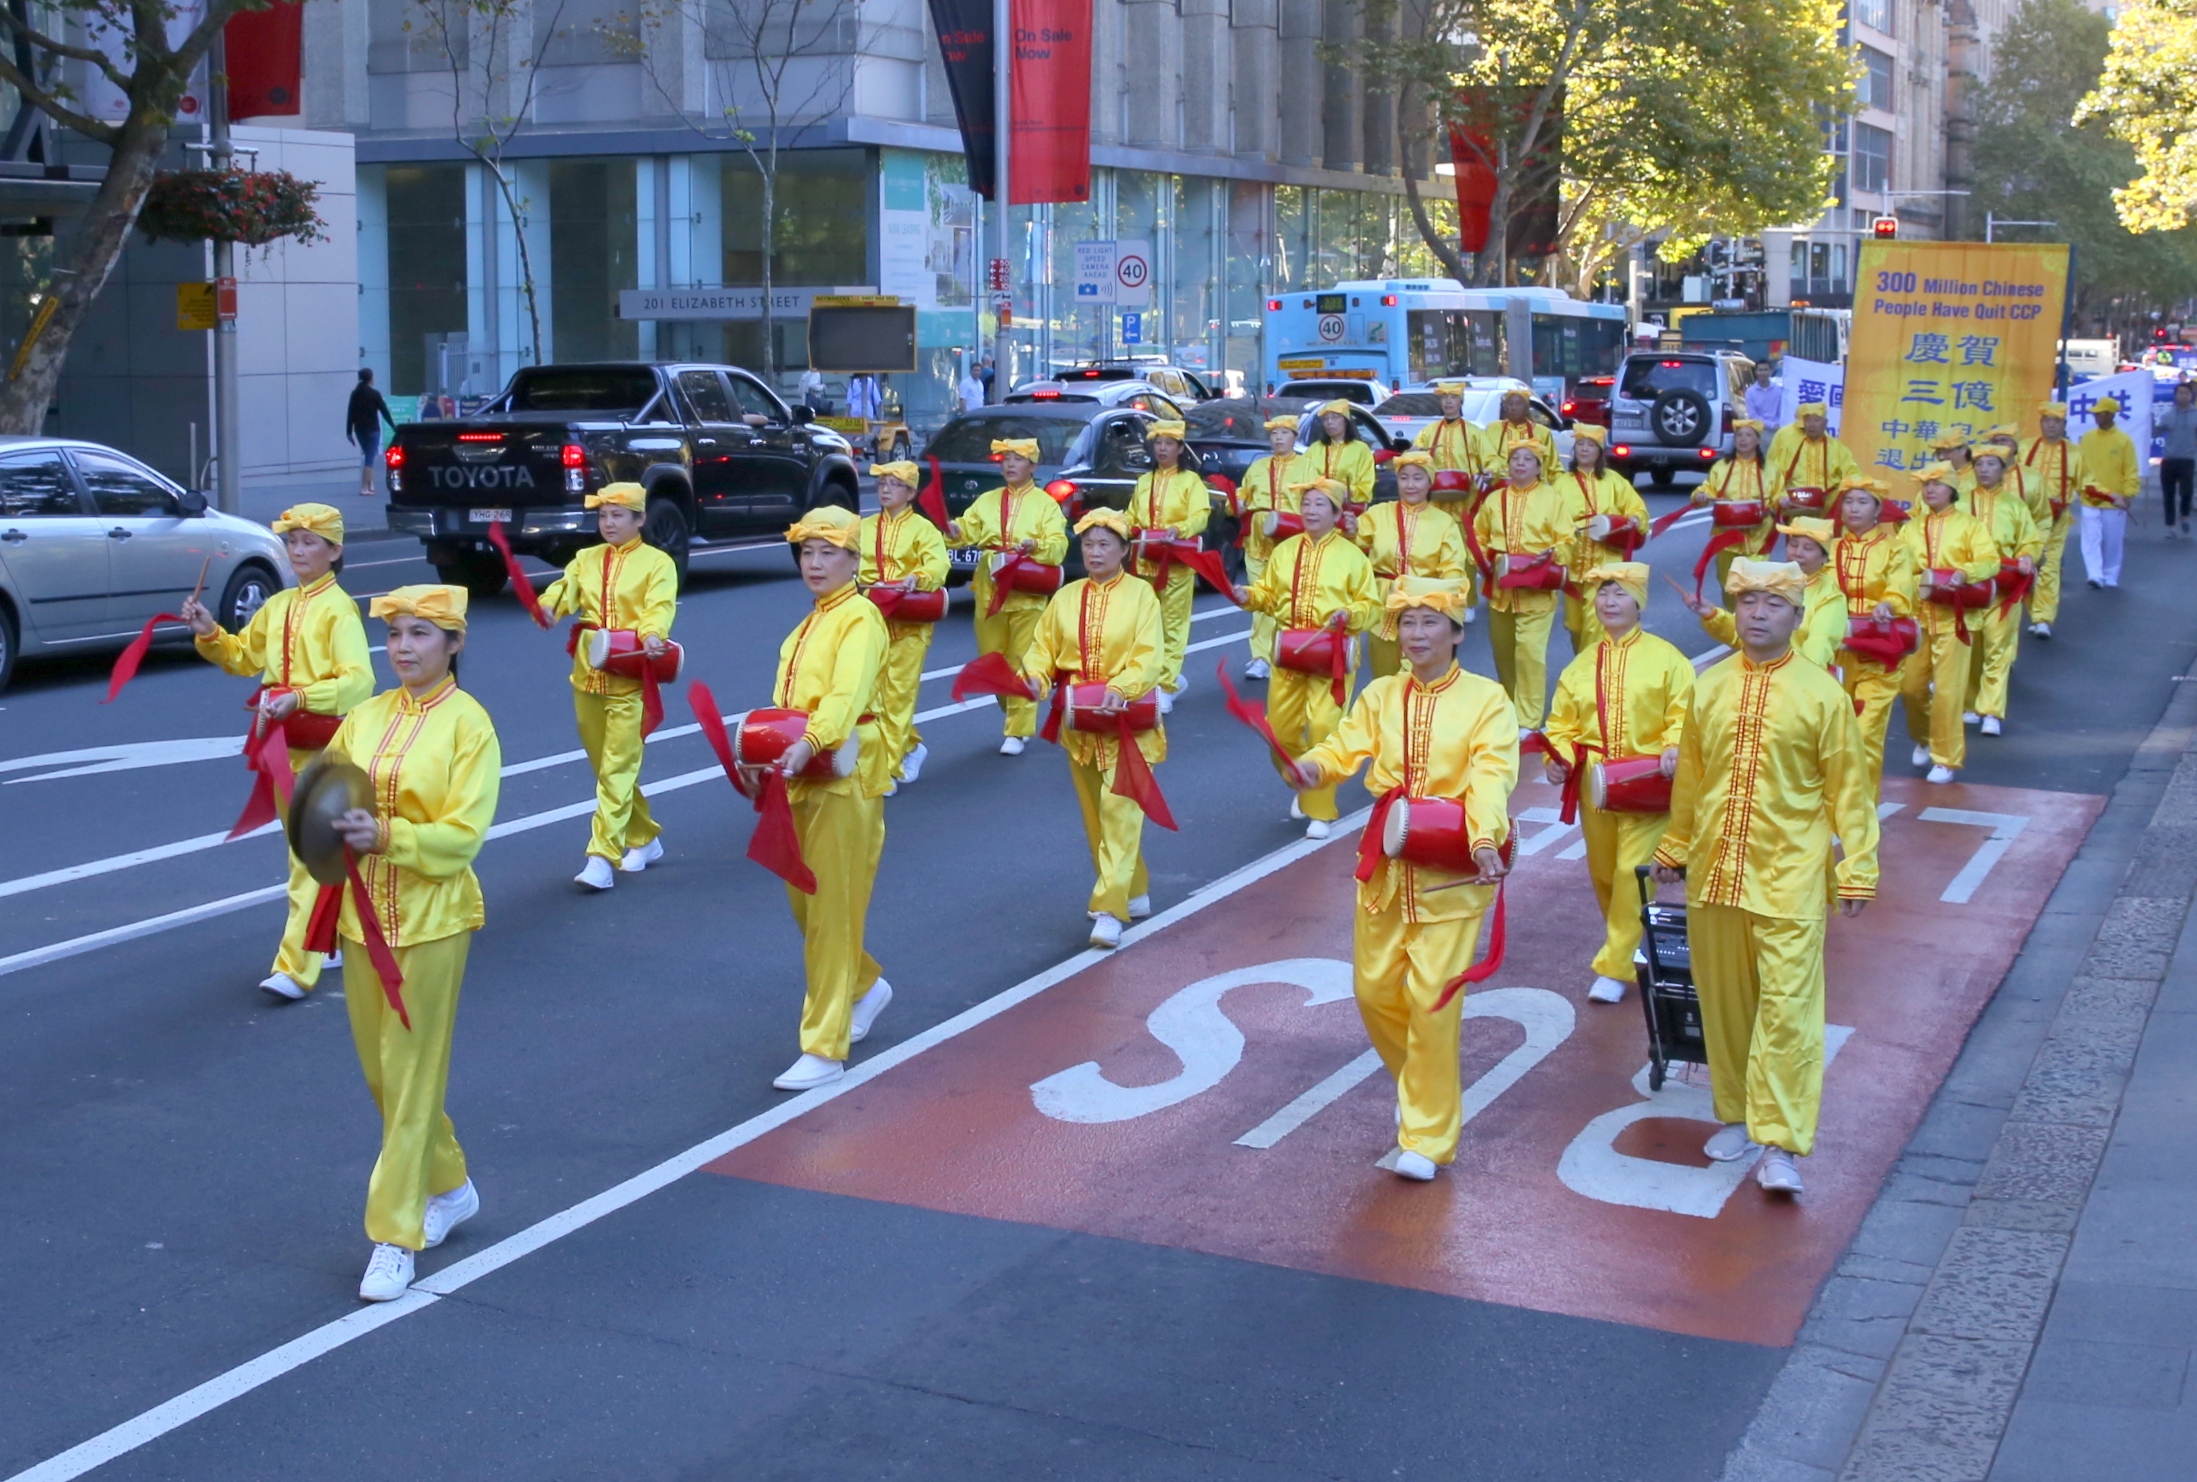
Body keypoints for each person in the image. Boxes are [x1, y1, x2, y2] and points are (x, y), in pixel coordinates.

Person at [1652, 559, 1878, 1198]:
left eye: (1772, 604)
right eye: (1747, 601)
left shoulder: (1823, 695)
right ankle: (1740, 1116)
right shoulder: (1709, 686)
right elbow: (1691, 780)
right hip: (1715, 874)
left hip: (1789, 877)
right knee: (1726, 1008)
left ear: (1798, 617)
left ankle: (1780, 1143)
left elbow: (1849, 791)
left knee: (1787, 1012)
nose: (1757, 614)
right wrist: (1674, 847)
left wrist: (1858, 868)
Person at [1292, 575, 1517, 1181]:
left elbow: (1491, 776)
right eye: (1407, 623)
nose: (1416, 634)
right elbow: (1344, 746)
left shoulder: (1488, 700)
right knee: (1373, 993)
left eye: (1429, 622)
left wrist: (1483, 838)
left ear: (1456, 632)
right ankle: (1419, 1088)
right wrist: (1314, 767)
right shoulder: (1381, 694)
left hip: (1452, 868)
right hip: (1388, 864)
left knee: (1435, 1003)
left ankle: (1427, 1136)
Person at [322, 584, 501, 1300]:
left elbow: (463, 836)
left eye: (421, 633)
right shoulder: (364, 718)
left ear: (454, 644)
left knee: (412, 1074)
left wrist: (387, 834)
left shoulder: (469, 726)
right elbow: (324, 795)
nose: (403, 647)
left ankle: (395, 1234)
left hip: (432, 921)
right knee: (384, 1075)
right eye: (395, 633)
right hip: (361, 917)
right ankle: (451, 1186)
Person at [181, 502, 373, 1000]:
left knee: (307, 856)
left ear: (335, 551)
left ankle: (295, 966)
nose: (298, 550)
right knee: (307, 849)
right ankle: (334, 933)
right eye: (293, 541)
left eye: (310, 542)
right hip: (283, 744)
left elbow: (359, 681)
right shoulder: (280, 604)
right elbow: (244, 657)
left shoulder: (339, 609)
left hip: (326, 748)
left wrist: (301, 697)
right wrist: (209, 631)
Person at [754, 505, 895, 1093]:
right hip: (803, 772)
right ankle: (865, 986)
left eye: (828, 553)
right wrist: (764, 752)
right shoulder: (808, 623)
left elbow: (846, 695)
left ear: (854, 560)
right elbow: (785, 703)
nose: (814, 563)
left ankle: (824, 1047)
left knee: (831, 912)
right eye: (807, 552)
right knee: (808, 907)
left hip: (844, 771)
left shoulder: (860, 617)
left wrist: (812, 739)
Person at [1542, 562, 1692, 1005]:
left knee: (1631, 872)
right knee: (1604, 873)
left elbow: (1685, 713)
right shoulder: (1582, 664)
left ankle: (1615, 966)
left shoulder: (1668, 659)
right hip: (1596, 783)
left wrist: (1673, 745)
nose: (1609, 602)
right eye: (1603, 594)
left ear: (1639, 604)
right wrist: (1559, 758)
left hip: (1649, 781)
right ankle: (1628, 940)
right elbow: (1561, 725)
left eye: (1619, 594)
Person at [1018, 509, 1167, 949]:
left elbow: (1149, 656)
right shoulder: (1066, 596)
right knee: (1098, 817)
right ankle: (1134, 890)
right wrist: (1036, 677)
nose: (1095, 552)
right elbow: (1042, 647)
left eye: (1104, 544)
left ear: (1123, 550)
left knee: (1120, 811)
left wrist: (1122, 687)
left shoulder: (1141, 595)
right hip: (1080, 721)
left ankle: (1109, 907)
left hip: (1128, 721)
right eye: (1088, 544)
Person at [539, 484, 678, 892]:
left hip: (630, 676)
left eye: (618, 515)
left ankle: (601, 856)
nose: (609, 523)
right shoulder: (586, 558)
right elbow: (565, 590)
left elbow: (659, 607)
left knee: (617, 768)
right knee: (607, 768)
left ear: (640, 519)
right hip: (587, 674)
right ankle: (645, 837)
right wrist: (548, 606)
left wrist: (652, 634)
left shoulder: (658, 563)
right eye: (603, 516)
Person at [1236, 479, 1381, 839]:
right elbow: (1269, 595)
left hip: (1331, 655)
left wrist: (1349, 614)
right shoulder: (1284, 551)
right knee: (1279, 731)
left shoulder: (1352, 556)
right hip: (1288, 652)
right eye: (1306, 504)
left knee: (1322, 727)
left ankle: (1320, 810)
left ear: (1336, 513)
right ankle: (1304, 778)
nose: (1311, 511)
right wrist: (1248, 595)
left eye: (1319, 504)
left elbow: (1371, 606)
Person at [948, 438, 1069, 754]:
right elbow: (967, 529)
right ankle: (1014, 706)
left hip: (1027, 592)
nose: (1010, 464)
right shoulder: (987, 500)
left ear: (1033, 466)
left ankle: (1017, 729)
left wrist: (1035, 546)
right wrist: (954, 531)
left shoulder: (1045, 505)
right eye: (1006, 458)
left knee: (1023, 660)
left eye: (1018, 459)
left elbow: (1058, 546)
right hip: (990, 590)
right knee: (993, 661)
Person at [1899, 464, 1998, 784]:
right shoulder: (1911, 528)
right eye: (1926, 485)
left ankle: (1946, 758)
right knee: (1910, 688)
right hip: (1918, 618)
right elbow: (1898, 567)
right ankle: (1924, 737)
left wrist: (1965, 573)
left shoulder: (1970, 526)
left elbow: (1990, 561)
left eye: (1937, 484)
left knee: (1948, 693)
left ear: (1952, 490)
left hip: (1956, 620)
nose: (1929, 490)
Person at [1473, 444, 1581, 732]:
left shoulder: (1552, 499)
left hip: (1537, 591)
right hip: (1502, 591)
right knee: (1504, 655)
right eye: (1515, 459)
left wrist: (1552, 555)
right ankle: (1511, 710)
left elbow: (1567, 540)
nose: (1520, 463)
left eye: (1528, 459)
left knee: (1530, 654)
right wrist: (1486, 561)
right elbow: (1479, 535)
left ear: (1538, 467)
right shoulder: (1494, 499)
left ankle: (1528, 720)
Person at [859, 461, 950, 792]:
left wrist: (918, 577)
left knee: (897, 696)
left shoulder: (924, 530)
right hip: (873, 621)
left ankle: (887, 770)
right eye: (882, 483)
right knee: (871, 695)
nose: (885, 489)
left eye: (894, 484)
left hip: (910, 623)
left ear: (910, 493)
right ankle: (910, 746)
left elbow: (939, 564)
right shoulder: (863, 527)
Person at [1829, 476, 1919, 795]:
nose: (1853, 508)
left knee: (1865, 733)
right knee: (1830, 736)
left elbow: (1901, 586)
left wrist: (1889, 603)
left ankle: (1861, 811)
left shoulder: (1895, 549)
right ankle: (1832, 805)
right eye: (1848, 501)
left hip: (1877, 653)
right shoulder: (1830, 547)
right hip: (1835, 653)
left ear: (1878, 510)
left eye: (1862, 502)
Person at [1356, 450, 1468, 677]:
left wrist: (1426, 596)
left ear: (1430, 481)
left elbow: (1453, 574)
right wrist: (1348, 531)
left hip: (1425, 611)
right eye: (1404, 477)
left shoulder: (1444, 523)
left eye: (1418, 478)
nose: (1410, 485)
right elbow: (1352, 548)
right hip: (1383, 609)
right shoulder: (1377, 514)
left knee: (1421, 680)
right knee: (1384, 680)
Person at [1682, 515, 1845, 670]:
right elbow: (1743, 634)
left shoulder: (1829, 596)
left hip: (1795, 677)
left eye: (1808, 548)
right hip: (1755, 672)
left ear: (1824, 558)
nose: (1798, 552)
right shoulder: (1770, 578)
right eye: (1794, 545)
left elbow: (1819, 648)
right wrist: (1711, 614)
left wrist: (1794, 676)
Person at [1127, 419, 1212, 710]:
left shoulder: (1191, 481)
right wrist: (1119, 526)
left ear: (1180, 448)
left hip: (1176, 562)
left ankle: (1166, 684)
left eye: (1168, 444)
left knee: (1173, 625)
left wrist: (1179, 529)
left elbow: (1200, 515)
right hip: (1144, 562)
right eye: (1158, 443)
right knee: (1145, 625)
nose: (1162, 449)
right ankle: (1153, 678)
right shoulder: (1144, 481)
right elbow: (1132, 516)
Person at [1961, 442, 2041, 737]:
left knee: (1998, 647)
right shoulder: (1960, 503)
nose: (1984, 470)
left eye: (1991, 464)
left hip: (2003, 586)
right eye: (1979, 464)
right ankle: (1970, 703)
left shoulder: (2015, 506)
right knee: (1970, 646)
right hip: (1969, 585)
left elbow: (2030, 540)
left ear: (2004, 470)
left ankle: (1991, 710)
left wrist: (2027, 556)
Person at [1559, 425, 1648, 652]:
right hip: (1573, 564)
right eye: (1580, 444)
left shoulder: (1615, 481)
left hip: (1604, 566)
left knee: (1595, 627)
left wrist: (1635, 519)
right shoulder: (1561, 483)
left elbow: (1637, 509)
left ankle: (1591, 669)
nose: (1584, 449)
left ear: (1599, 451)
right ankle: (1584, 663)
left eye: (1590, 445)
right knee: (1575, 627)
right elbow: (1549, 519)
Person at [1238, 413, 1304, 680]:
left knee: (1287, 597)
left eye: (1284, 433)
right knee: (1259, 595)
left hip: (1291, 538)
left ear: (1294, 437)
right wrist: (1237, 503)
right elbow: (1242, 494)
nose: (1278, 438)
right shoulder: (1257, 467)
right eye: (1274, 433)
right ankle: (1261, 656)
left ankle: (1285, 648)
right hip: (1257, 540)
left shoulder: (1307, 467)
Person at [2022, 402, 2085, 638]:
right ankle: (2034, 612)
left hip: (2056, 520)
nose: (2051, 425)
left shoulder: (2075, 454)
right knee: (2026, 566)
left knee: (2049, 567)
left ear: (2064, 424)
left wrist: (2111, 496)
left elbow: (2087, 482)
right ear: (2040, 423)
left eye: (2056, 421)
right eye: (2047, 420)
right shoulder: (2025, 448)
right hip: (2025, 519)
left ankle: (2043, 619)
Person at [1693, 420, 1777, 597]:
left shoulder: (1771, 470)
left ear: (1757, 440)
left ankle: (1750, 613)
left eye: (1748, 435)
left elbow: (1778, 495)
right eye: (1739, 435)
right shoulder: (1721, 467)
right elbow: (1708, 488)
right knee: (1729, 586)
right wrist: (1700, 495)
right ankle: (1733, 614)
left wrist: (1781, 501)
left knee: (1754, 586)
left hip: (1759, 537)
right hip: (1727, 537)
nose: (1743, 439)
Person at [2078, 396, 2141, 590]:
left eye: (2101, 413)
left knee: (2112, 540)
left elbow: (2131, 470)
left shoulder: (2124, 441)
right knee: (2090, 539)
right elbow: (2079, 466)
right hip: (2090, 498)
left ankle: (2110, 574)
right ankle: (2095, 574)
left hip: (2115, 499)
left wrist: (2128, 494)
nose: (2096, 416)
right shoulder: (2087, 438)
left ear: (2111, 414)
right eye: (2096, 413)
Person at [1766, 401, 1860, 515]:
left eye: (1816, 420)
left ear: (1825, 423)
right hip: (1794, 504)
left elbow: (1853, 473)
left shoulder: (1837, 448)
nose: (1812, 424)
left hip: (1827, 505)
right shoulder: (1790, 446)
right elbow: (1775, 473)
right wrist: (1780, 495)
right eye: (1808, 420)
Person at [1309, 401, 1376, 509]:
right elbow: (1303, 477)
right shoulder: (1315, 448)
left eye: (1334, 417)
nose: (1329, 422)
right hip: (1319, 507)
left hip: (1348, 507)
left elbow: (1366, 485)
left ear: (1345, 421)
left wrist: (1347, 492)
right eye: (1325, 419)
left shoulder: (1361, 449)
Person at [1411, 380, 1484, 476]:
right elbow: (1415, 457)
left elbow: (1490, 460)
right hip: (1436, 484)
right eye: (1444, 397)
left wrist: (1490, 471)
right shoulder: (1428, 431)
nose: (1448, 401)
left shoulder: (1474, 432)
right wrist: (1414, 454)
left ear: (1461, 402)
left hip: (1467, 484)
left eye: (1453, 397)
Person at [346, 369, 397, 499]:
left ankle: (370, 485)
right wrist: (393, 426)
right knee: (370, 458)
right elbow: (384, 411)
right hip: (373, 430)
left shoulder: (355, 393)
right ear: (370, 378)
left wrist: (349, 432)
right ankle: (364, 488)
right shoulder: (374, 394)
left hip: (359, 430)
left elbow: (350, 413)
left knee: (368, 454)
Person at [1482, 388, 1558, 470]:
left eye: (1518, 404)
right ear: (1505, 407)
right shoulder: (1492, 429)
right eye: (1510, 404)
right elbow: (1484, 459)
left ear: (1527, 408)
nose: (1513, 407)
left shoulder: (1542, 432)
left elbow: (1553, 467)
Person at [2160, 381, 2196, 537]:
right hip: (2169, 459)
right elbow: (2155, 433)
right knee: (2168, 494)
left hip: (2188, 459)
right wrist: (2150, 422)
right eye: (2180, 393)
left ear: (2191, 395)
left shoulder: (2195, 415)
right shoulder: (2168, 415)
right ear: (2175, 396)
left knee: (2187, 492)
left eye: (2186, 393)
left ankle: (2184, 515)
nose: (2183, 396)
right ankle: (2171, 526)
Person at [1745, 359, 1785, 433]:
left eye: (1766, 370)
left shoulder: (1778, 390)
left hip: (1778, 429)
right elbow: (1753, 415)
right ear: (1756, 372)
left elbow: (1781, 410)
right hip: (1759, 431)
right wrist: (1771, 425)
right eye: (1760, 370)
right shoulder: (1750, 392)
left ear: (1771, 371)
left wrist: (1778, 424)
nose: (1763, 373)